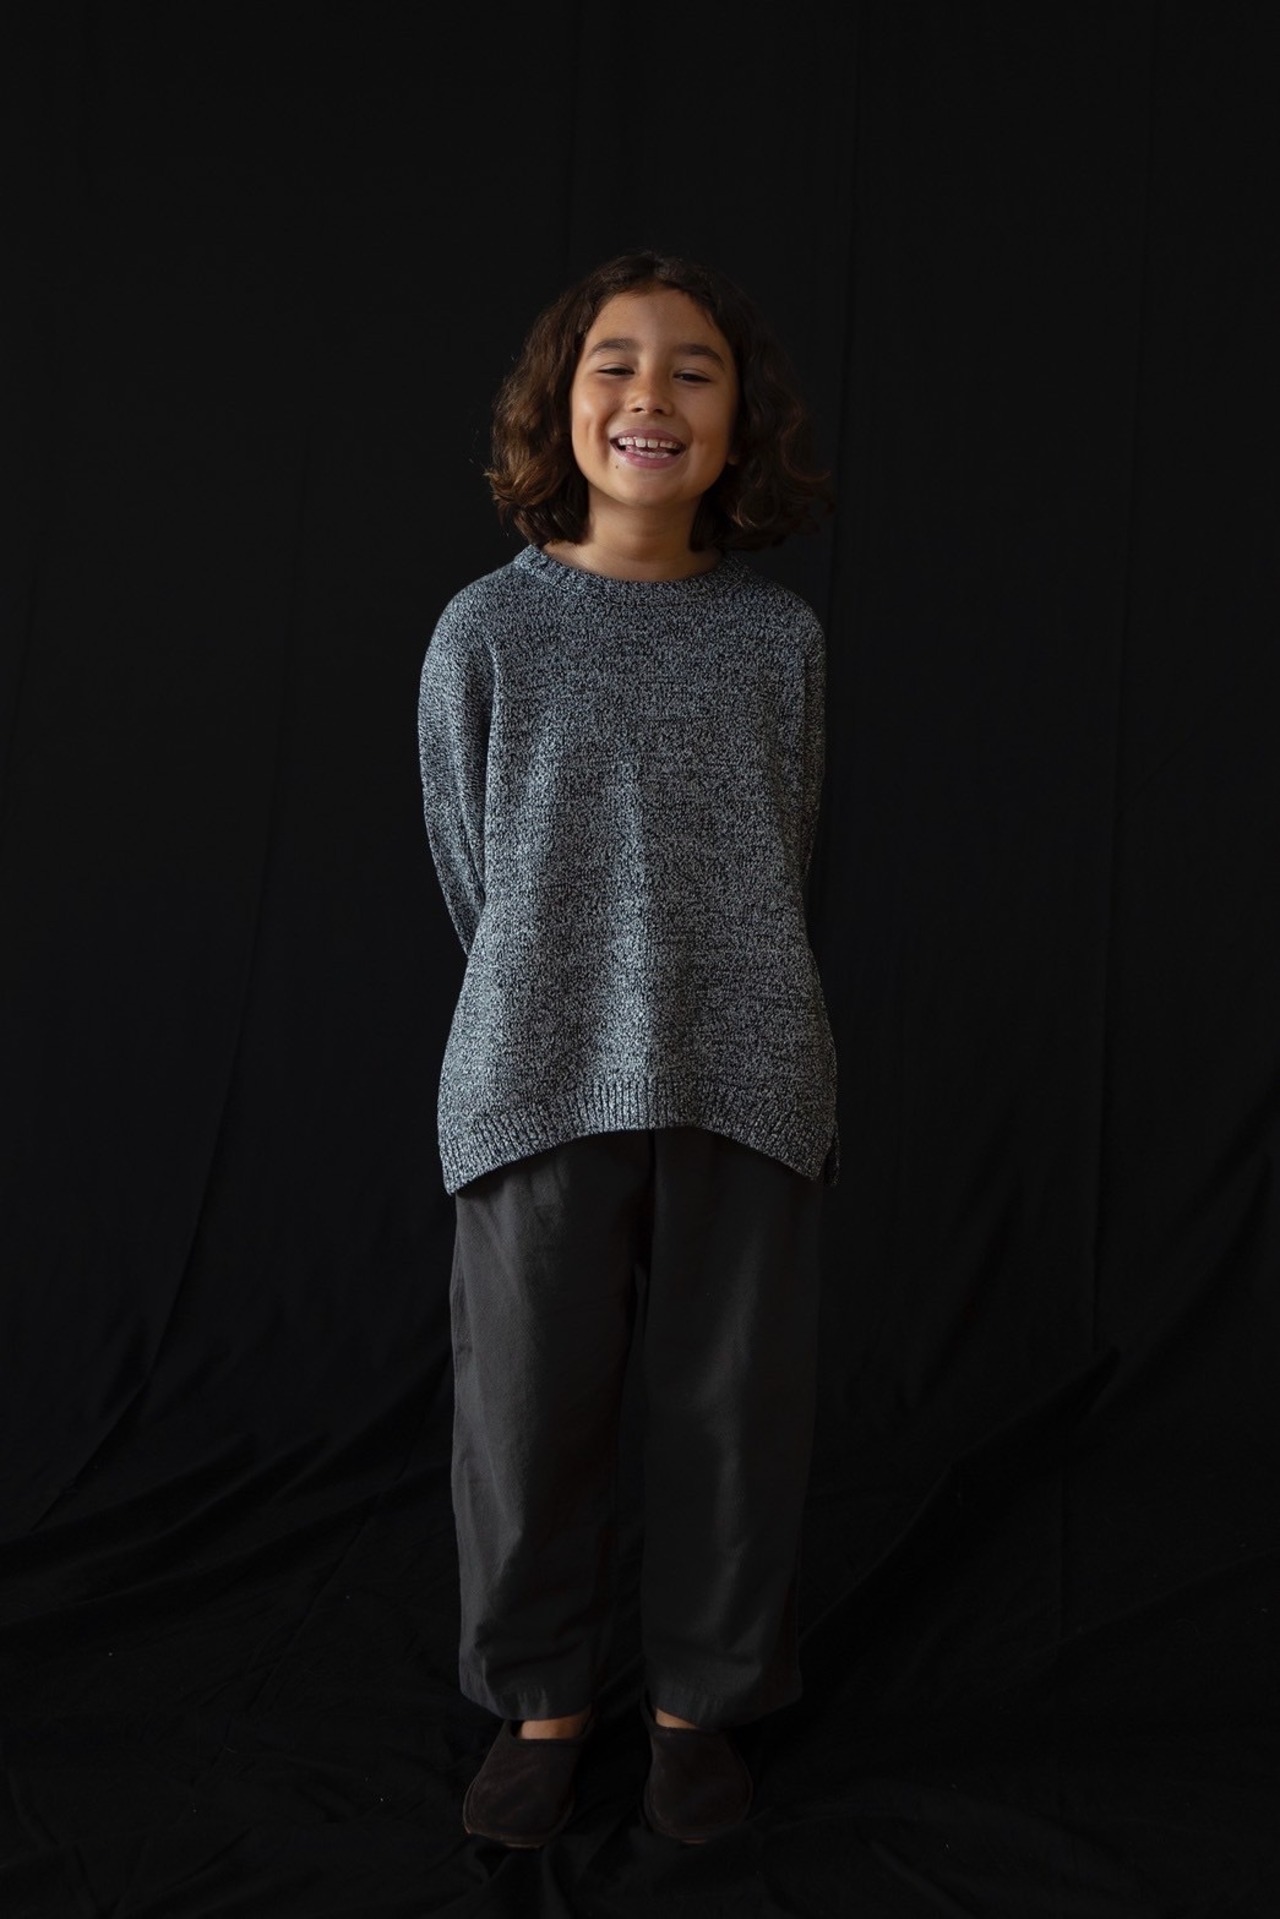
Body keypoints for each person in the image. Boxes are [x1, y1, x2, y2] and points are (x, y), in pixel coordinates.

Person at [416, 248, 840, 1848]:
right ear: (562, 402)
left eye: (693, 370)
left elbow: (788, 842)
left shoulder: (778, 640)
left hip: (749, 1067)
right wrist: (561, 992)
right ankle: (541, 1704)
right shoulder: (486, 632)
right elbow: (469, 864)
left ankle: (696, 1712)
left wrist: (705, 987)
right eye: (615, 363)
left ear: (737, 427)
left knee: (734, 1413)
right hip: (533, 1070)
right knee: (530, 1417)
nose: (650, 395)